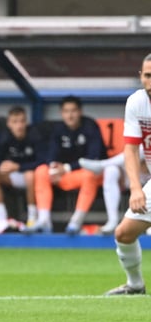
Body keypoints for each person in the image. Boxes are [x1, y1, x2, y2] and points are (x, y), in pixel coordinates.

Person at [105, 53, 151, 295]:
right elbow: (131, 149)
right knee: (124, 233)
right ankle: (135, 285)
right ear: (141, 77)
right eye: (148, 75)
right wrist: (135, 188)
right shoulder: (136, 102)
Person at [25, 95, 104, 235]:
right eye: (66, 111)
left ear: (80, 112)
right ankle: (44, 220)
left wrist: (66, 168)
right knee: (41, 171)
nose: (70, 115)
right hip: (65, 175)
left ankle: (76, 222)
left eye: (73, 111)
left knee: (89, 174)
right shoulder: (58, 129)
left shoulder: (90, 126)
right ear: (62, 113)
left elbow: (93, 157)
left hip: (88, 174)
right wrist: (53, 167)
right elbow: (51, 153)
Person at [0, 106, 41, 235]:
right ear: (9, 124)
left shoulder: (34, 135)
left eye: (22, 121)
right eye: (15, 122)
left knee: (31, 175)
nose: (19, 126)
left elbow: (42, 161)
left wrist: (19, 167)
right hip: (12, 177)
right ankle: (1, 219)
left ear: (26, 122)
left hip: (31, 177)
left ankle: (32, 218)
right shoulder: (4, 138)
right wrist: (3, 166)